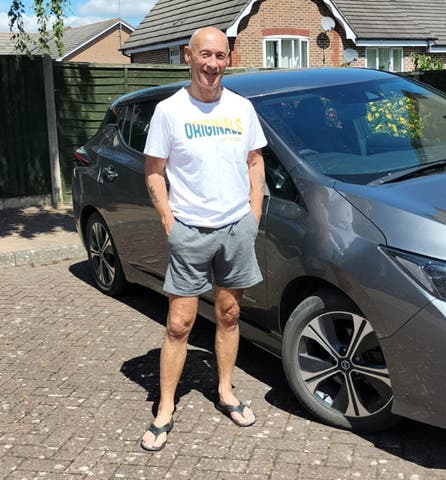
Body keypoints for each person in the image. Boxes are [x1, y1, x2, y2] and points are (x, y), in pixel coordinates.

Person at [140, 26, 267, 451]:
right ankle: (165, 407)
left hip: (236, 229)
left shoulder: (242, 109)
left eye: (220, 55)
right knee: (179, 324)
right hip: (189, 231)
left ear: (227, 59)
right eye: (204, 55)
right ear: (188, 57)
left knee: (229, 315)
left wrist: (254, 214)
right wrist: (168, 222)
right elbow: (154, 171)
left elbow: (255, 161)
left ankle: (226, 391)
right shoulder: (169, 112)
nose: (212, 63)